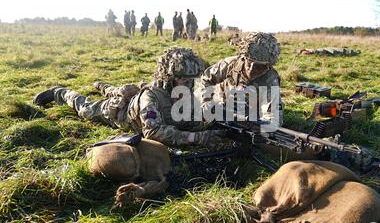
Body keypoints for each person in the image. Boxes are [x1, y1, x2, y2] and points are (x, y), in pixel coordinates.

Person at [33, 47, 225, 148]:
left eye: (191, 80)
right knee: (85, 108)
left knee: (121, 89)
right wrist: (197, 138)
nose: (188, 84)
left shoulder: (187, 94)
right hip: (119, 111)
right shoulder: (151, 97)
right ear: (170, 78)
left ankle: (104, 86)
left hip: (137, 96)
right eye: (183, 79)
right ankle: (59, 92)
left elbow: (193, 122)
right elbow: (153, 132)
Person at [198, 32, 284, 125]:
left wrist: (262, 125)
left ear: (268, 66)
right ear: (244, 58)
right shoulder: (230, 64)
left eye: (258, 67)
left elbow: (273, 116)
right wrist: (206, 102)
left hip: (248, 115)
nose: (251, 70)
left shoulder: (270, 79)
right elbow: (206, 79)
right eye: (249, 63)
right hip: (222, 105)